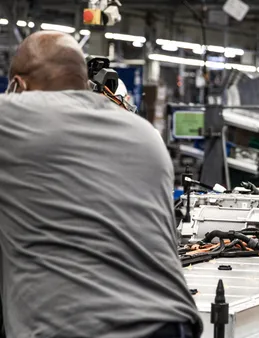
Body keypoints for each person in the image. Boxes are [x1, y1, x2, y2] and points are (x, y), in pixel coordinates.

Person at [0, 32, 201, 338]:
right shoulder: (143, 132)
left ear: (18, 85)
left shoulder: (12, 116)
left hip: (75, 328)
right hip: (169, 322)